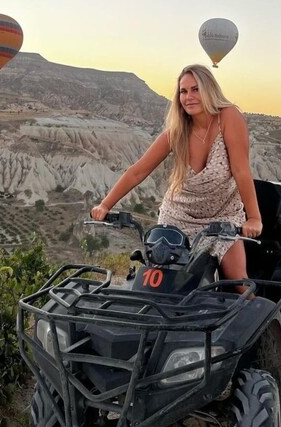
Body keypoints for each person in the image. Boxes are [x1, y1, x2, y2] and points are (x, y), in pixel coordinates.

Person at [90, 64, 262, 293]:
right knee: (164, 285)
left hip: (222, 217)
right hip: (178, 216)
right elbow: (138, 171)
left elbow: (241, 171)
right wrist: (105, 205)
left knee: (238, 281)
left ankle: (268, 329)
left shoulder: (228, 117)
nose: (188, 97)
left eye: (195, 89)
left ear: (209, 90)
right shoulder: (177, 131)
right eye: (183, 91)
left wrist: (254, 218)